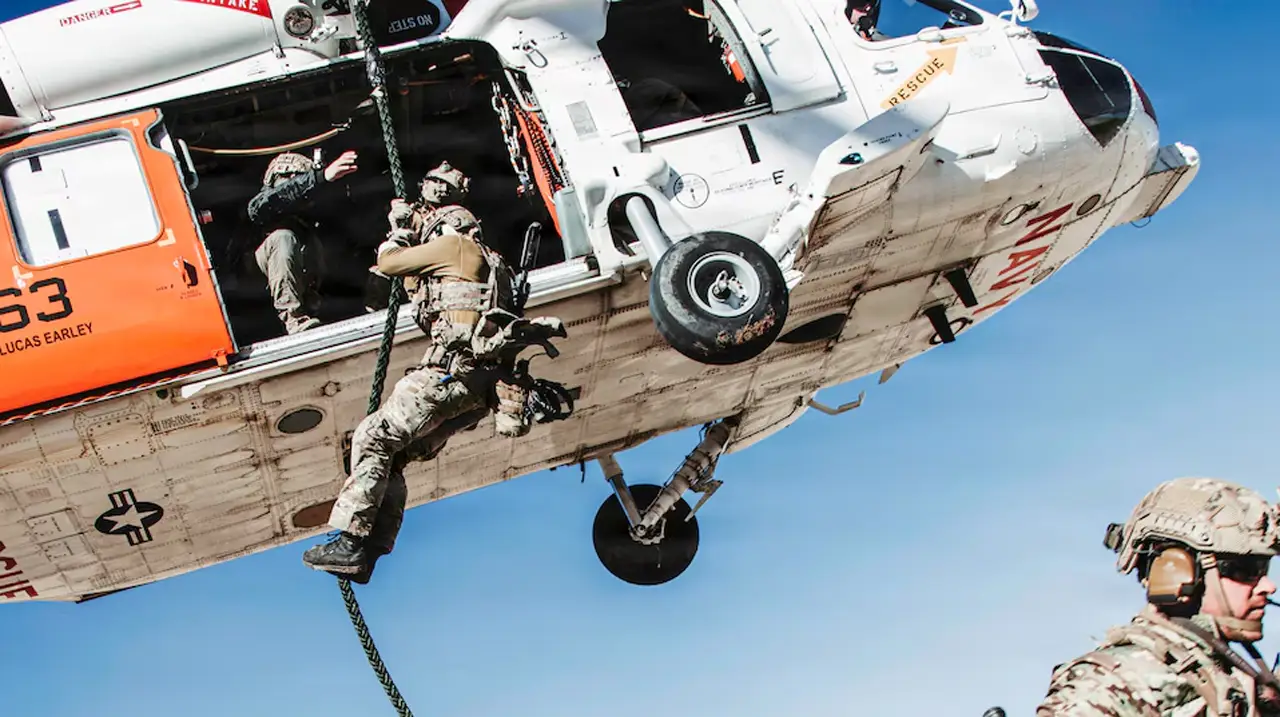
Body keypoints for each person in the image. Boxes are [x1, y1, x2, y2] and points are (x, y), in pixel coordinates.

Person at [302, 163, 571, 585]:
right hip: (477, 391)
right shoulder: (493, 263)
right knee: (396, 455)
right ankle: (370, 551)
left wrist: (400, 229)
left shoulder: (453, 246)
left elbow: (389, 263)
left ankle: (352, 542)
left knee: (373, 437)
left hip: (449, 376)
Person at [1036, 477, 1280, 716]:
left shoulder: (1223, 675)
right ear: (1178, 570)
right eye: (1246, 570)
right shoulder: (1111, 683)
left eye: (1264, 569)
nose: (1268, 586)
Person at [247, 149, 360, 334]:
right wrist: (321, 177)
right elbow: (275, 198)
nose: (292, 180)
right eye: (287, 177)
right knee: (283, 238)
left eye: (297, 176)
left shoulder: (314, 217)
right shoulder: (263, 205)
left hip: (312, 281)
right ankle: (293, 318)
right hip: (262, 284)